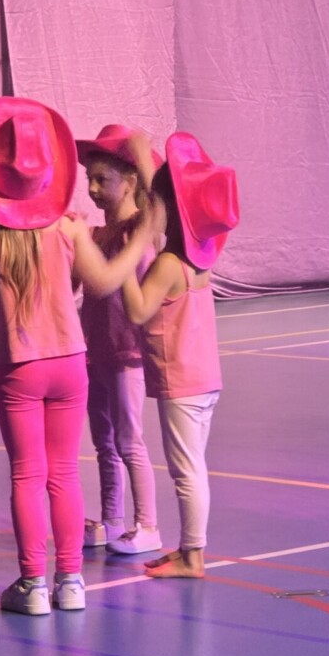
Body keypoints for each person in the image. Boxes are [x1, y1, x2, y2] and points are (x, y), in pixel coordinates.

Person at [0, 98, 155, 615]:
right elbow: (103, 283)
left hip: (21, 368)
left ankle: (32, 583)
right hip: (71, 364)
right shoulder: (68, 228)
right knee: (64, 473)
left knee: (27, 475)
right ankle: (71, 581)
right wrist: (139, 242)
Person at [121, 133, 238, 578]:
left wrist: (123, 261)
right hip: (203, 378)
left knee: (187, 471)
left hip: (183, 382)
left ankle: (193, 556)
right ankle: (188, 548)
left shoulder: (169, 265)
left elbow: (137, 310)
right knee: (191, 466)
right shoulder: (196, 259)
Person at [76, 125, 162, 555]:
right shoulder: (94, 234)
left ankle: (148, 525)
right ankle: (112, 521)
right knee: (104, 442)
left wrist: (143, 159)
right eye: (88, 179)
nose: (92, 189)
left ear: (129, 182)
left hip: (127, 350)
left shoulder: (142, 228)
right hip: (95, 350)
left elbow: (159, 207)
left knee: (129, 441)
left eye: (101, 180)